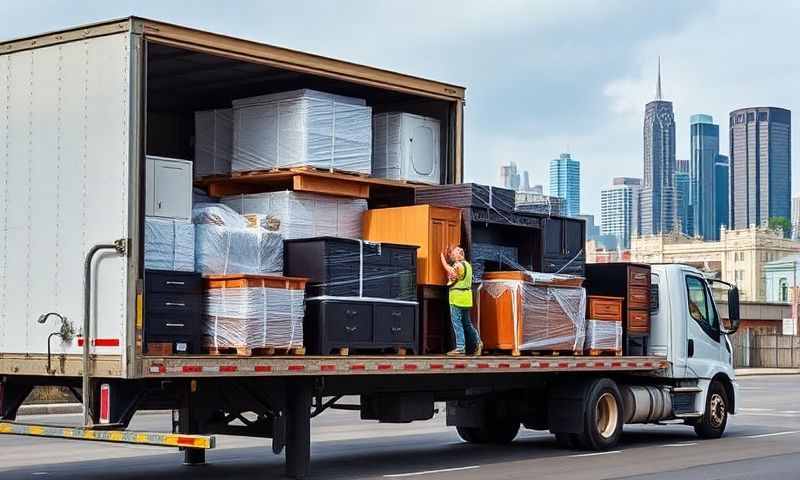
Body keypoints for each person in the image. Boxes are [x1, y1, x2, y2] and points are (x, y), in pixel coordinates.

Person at [440, 246, 483, 356]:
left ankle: (460, 348)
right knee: (467, 323)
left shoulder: (458, 265)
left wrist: (442, 259)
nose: (452, 256)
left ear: (459, 255)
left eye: (453, 254)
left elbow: (451, 272)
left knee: (457, 323)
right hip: (466, 298)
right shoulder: (468, 265)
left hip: (457, 298)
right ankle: (478, 342)